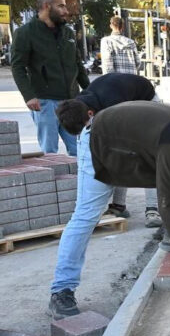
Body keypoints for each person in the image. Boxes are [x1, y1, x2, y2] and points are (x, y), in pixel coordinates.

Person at [49, 101, 170, 319]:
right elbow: (167, 205)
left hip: (140, 143)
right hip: (100, 142)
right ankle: (62, 290)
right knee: (85, 216)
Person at [56, 73, 163, 227]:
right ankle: (118, 206)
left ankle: (152, 209)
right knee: (117, 156)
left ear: (91, 114)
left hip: (145, 100)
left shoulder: (113, 106)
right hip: (122, 96)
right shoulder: (77, 107)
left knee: (143, 156)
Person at [11, 0, 89, 156]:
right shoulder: (26, 33)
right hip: (45, 102)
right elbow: (18, 67)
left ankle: (78, 181)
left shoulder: (67, 33)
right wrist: (28, 95)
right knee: (50, 152)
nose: (66, 11)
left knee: (80, 149)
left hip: (72, 100)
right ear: (47, 6)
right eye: (61, 6)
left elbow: (77, 65)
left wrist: (89, 91)